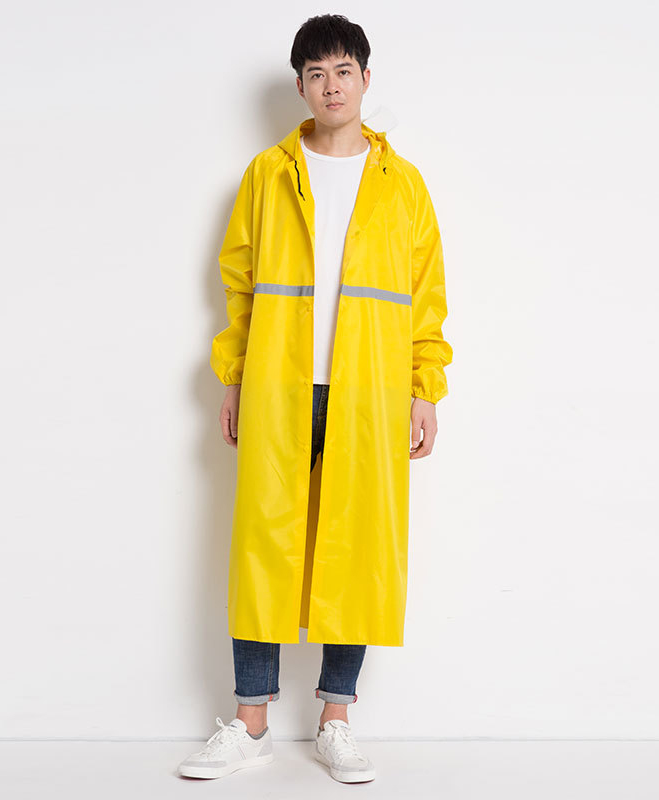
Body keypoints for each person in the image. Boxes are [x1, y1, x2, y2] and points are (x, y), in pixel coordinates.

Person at [179, 13, 452, 783]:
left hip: (369, 393)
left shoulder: (403, 184)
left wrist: (423, 389)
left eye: (344, 70)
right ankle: (251, 722)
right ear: (301, 86)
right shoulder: (268, 174)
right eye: (317, 73)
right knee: (263, 546)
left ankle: (336, 719)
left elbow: (426, 296)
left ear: (366, 78)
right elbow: (238, 288)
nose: (332, 85)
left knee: (356, 548)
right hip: (278, 385)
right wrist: (234, 377)